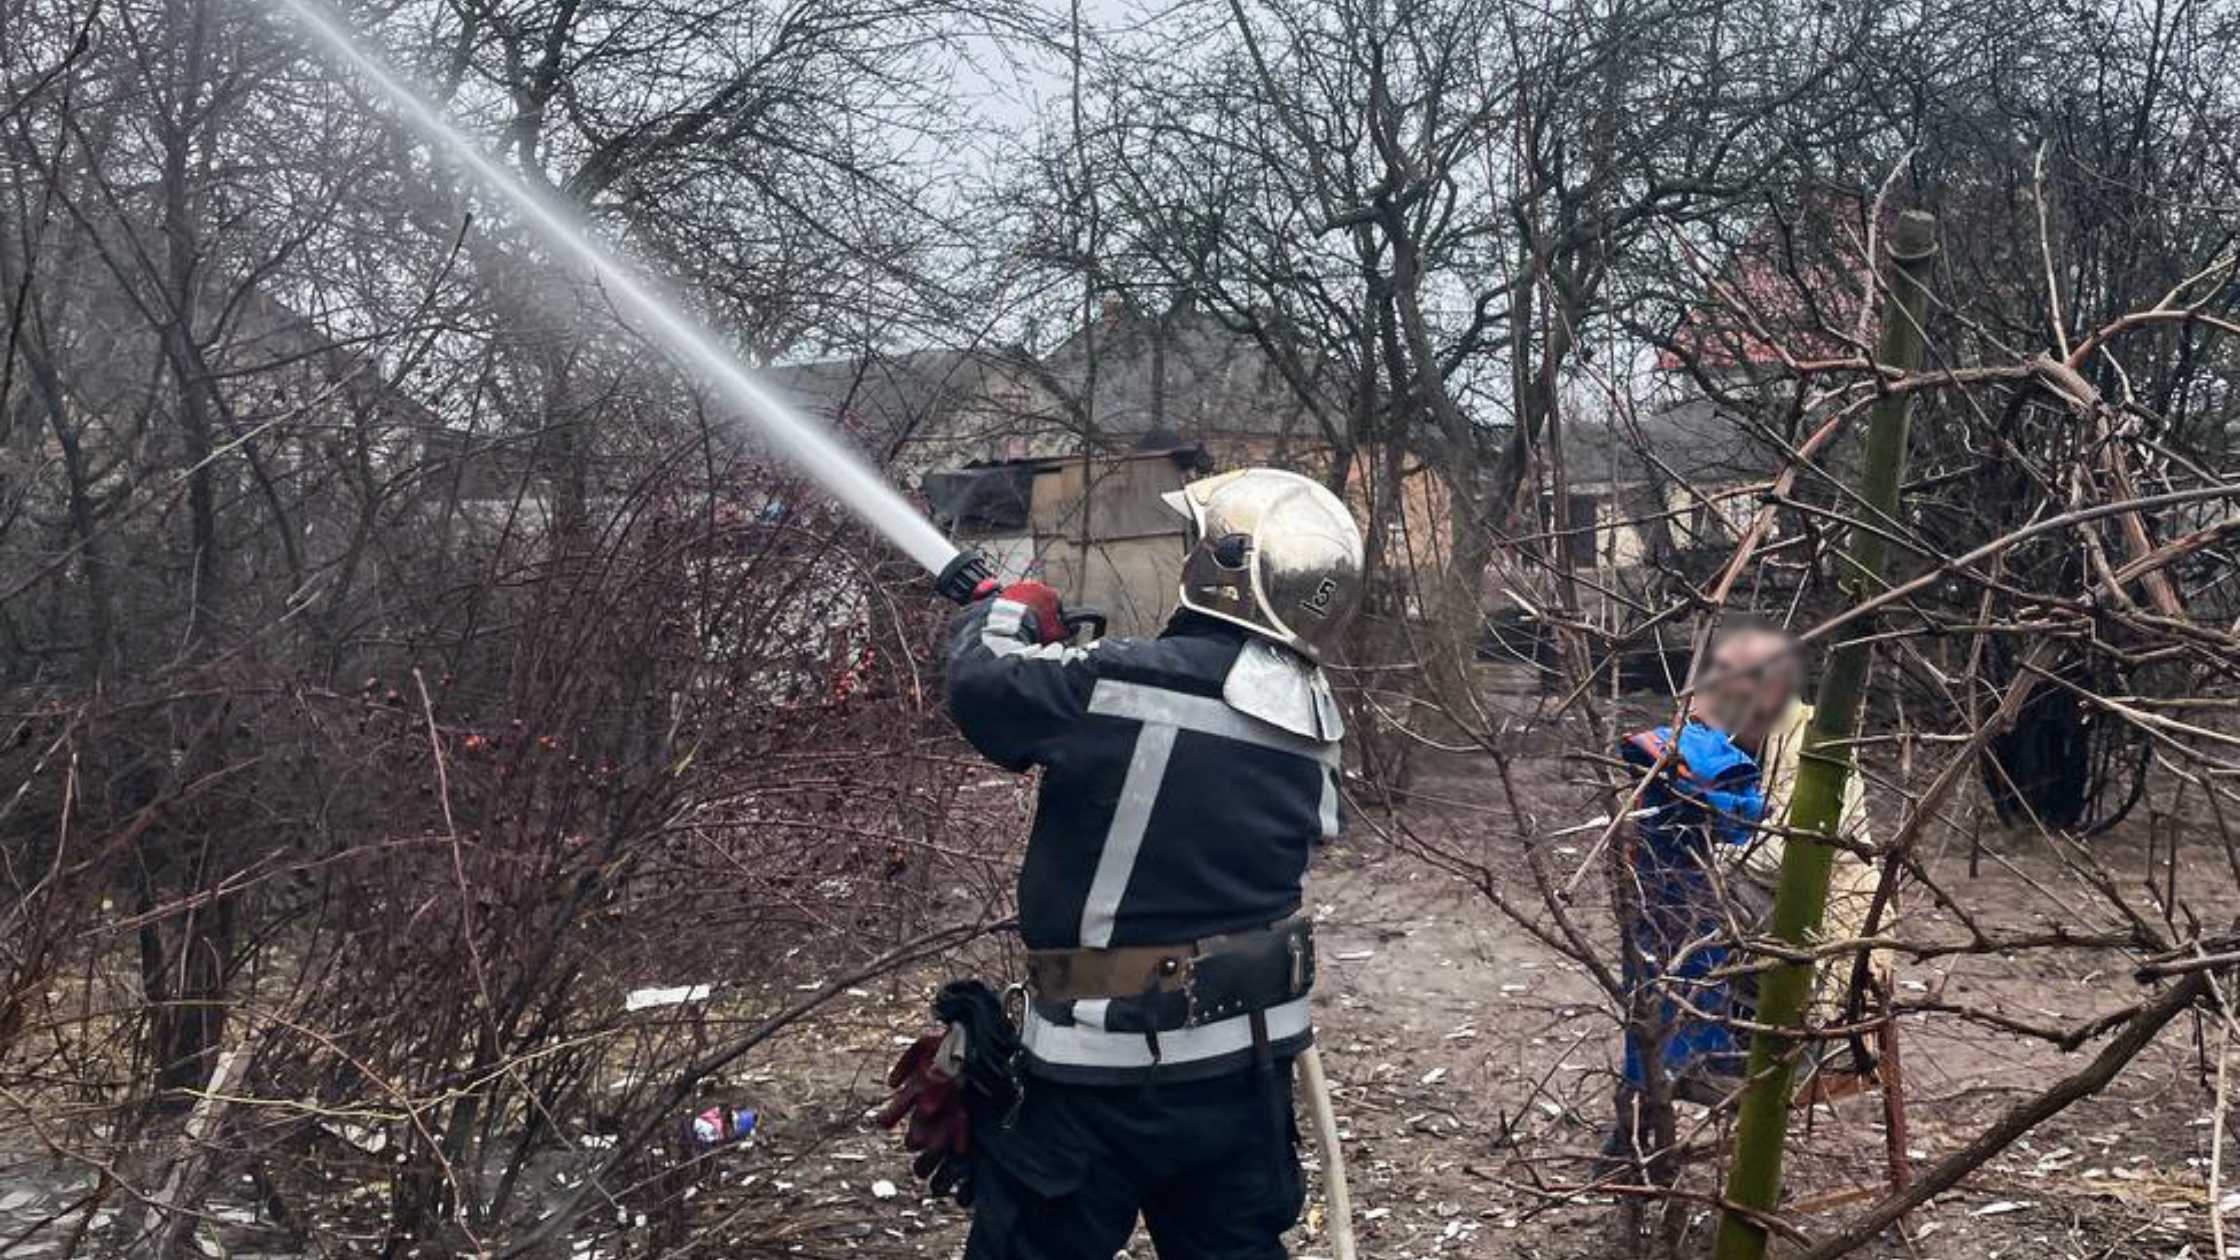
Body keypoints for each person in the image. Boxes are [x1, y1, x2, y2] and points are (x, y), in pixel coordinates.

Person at [884, 468, 1365, 1260]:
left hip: (1096, 1079)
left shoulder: (1129, 683)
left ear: (1222, 570)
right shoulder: (1311, 719)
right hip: (1242, 1080)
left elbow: (985, 690)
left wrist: (1001, 613)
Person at [1604, 622, 1882, 1164]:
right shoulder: (1735, 738)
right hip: (1741, 925)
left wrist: (1717, 834)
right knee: (1658, 925)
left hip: (1820, 936)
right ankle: (1649, 1092)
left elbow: (1804, 856)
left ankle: (1699, 1056)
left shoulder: (1820, 753)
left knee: (1692, 910)